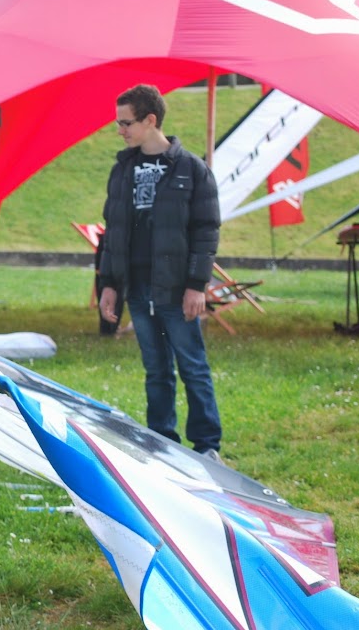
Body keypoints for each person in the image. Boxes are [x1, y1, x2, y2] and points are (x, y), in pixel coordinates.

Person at [97, 84, 224, 462]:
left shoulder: (192, 170)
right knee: (156, 370)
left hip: (175, 290)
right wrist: (108, 285)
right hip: (136, 288)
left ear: (150, 120)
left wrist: (196, 285)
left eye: (126, 122)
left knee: (193, 366)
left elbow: (206, 231)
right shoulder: (122, 169)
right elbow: (112, 232)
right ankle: (162, 443)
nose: (120, 130)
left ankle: (207, 446)